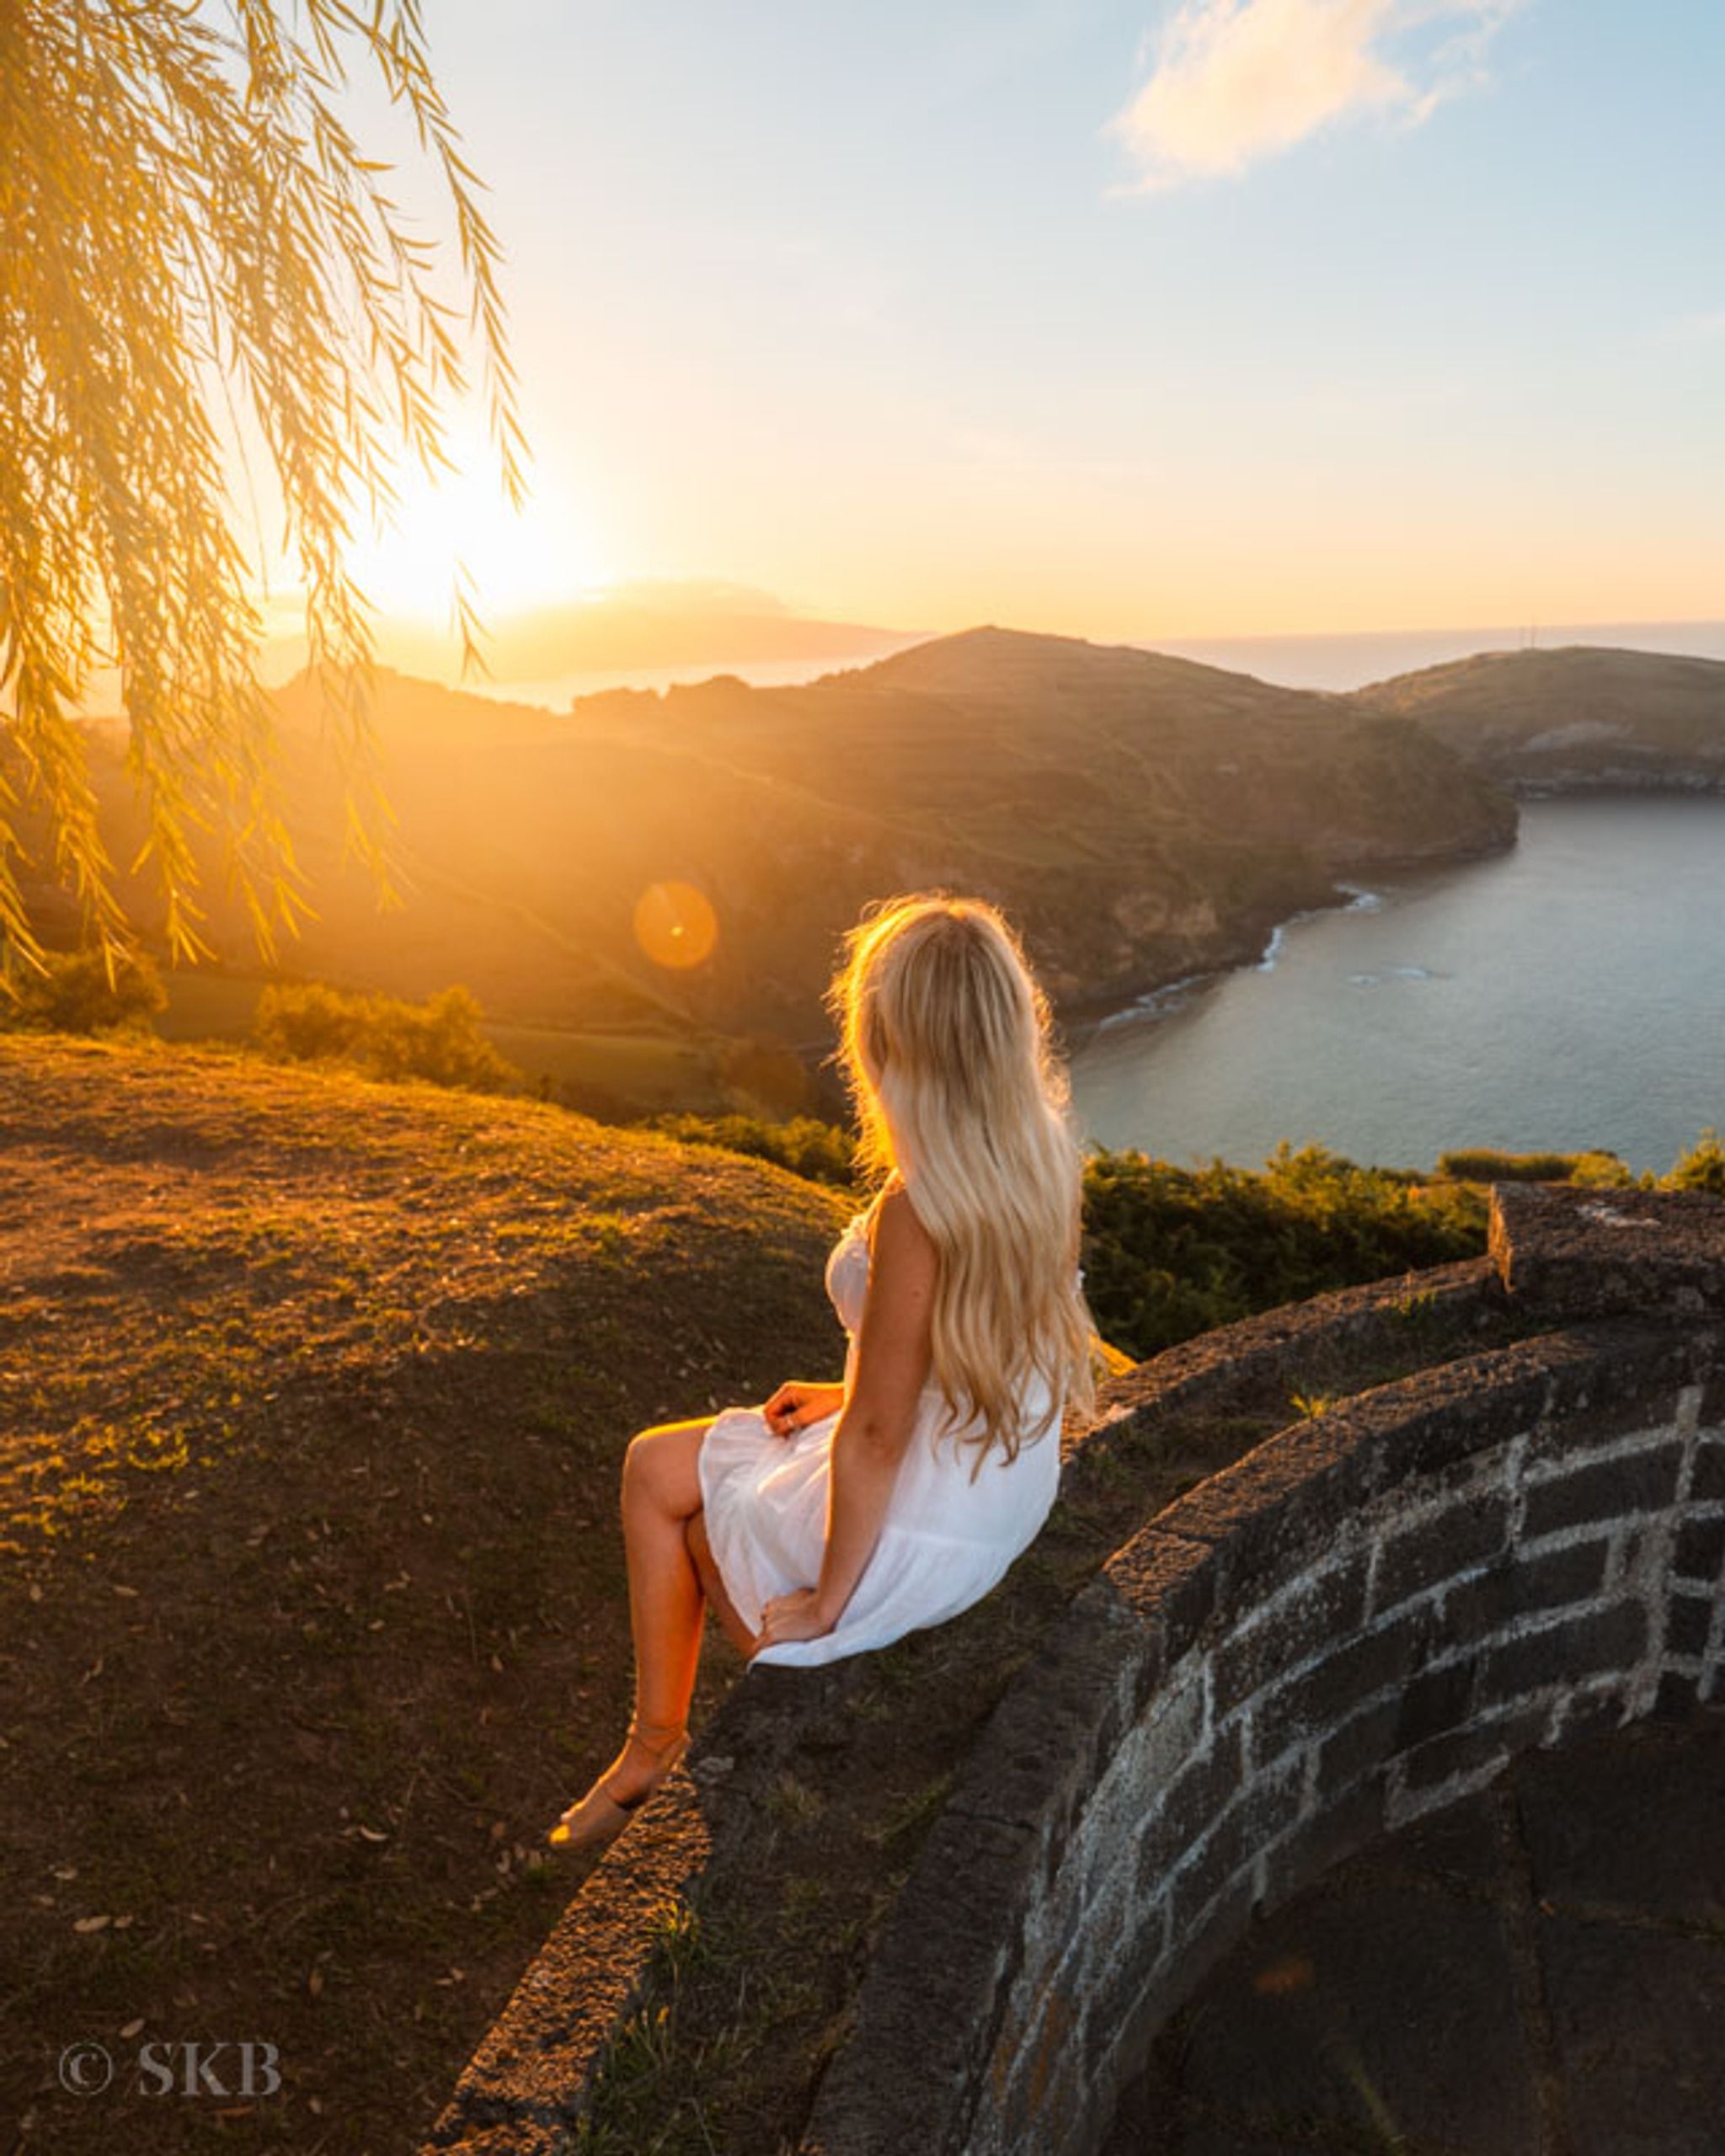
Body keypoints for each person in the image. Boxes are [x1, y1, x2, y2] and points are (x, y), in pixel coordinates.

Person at [547, 892, 1101, 1850]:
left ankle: (655, 1747)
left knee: (669, 1494)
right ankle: (653, 1749)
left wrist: (829, 1601)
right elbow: (982, 1344)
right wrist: (847, 1389)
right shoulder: (1037, 1154)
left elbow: (880, 1439)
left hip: (917, 1520)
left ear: (891, 1044)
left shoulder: (918, 1204)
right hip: (993, 1496)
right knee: (666, 1468)